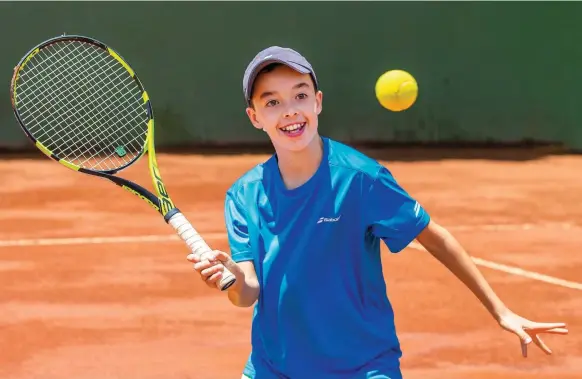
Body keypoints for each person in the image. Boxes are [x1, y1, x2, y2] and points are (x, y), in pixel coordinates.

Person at [188, 46, 568, 379]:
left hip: (362, 367)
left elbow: (433, 237)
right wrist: (234, 278)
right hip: (275, 368)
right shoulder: (243, 195)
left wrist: (501, 311)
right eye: (272, 102)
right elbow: (248, 294)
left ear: (317, 102)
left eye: (299, 96)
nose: (290, 111)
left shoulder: (361, 179)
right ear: (254, 116)